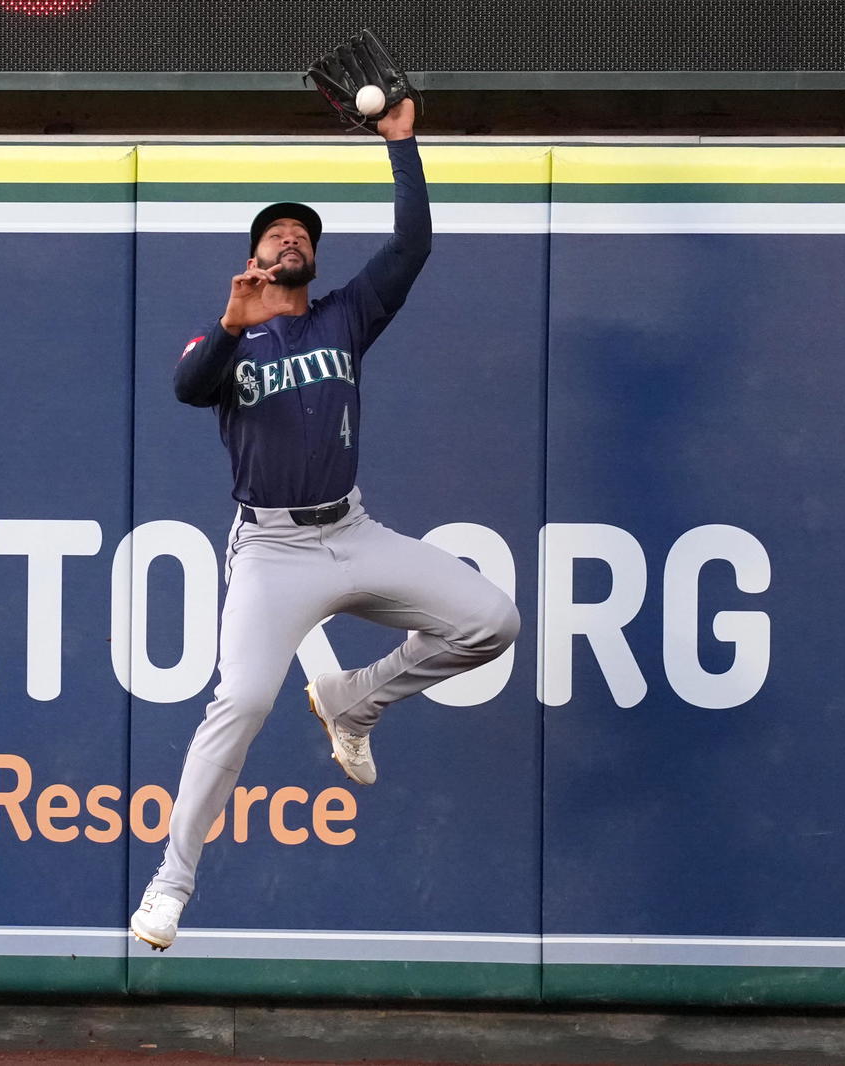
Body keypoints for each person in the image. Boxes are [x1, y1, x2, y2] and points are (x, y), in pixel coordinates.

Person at [130, 99, 520, 950]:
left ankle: (354, 700)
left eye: (301, 233)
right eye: (275, 234)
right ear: (252, 260)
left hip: (353, 530)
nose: (290, 238)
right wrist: (231, 325)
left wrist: (402, 144)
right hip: (272, 549)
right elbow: (188, 388)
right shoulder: (225, 339)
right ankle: (172, 882)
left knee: (493, 621)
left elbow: (411, 248)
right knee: (241, 700)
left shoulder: (343, 314)